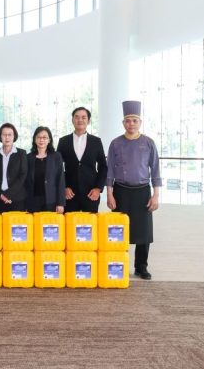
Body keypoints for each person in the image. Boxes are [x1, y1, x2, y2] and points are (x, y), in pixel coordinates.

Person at [105, 100, 161, 281]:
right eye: (128, 121)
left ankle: (141, 267)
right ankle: (117, 265)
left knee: (144, 232)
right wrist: (109, 194)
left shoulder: (149, 143)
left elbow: (155, 170)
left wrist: (156, 195)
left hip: (143, 191)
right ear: (123, 123)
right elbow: (109, 170)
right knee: (118, 232)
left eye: (135, 121)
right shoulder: (115, 143)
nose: (131, 124)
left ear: (140, 122)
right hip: (121, 191)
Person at [56, 107, 107, 213]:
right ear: (72, 120)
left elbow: (103, 166)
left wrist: (98, 188)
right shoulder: (63, 141)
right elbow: (58, 167)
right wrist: (64, 187)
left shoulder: (96, 141)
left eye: (83, 117)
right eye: (77, 117)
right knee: (69, 223)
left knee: (90, 223)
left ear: (88, 121)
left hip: (91, 193)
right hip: (69, 194)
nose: (80, 120)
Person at [25, 126, 65, 214]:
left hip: (51, 201)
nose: (41, 140)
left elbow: (60, 180)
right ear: (35, 139)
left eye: (44, 137)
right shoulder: (28, 157)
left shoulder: (56, 156)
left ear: (49, 140)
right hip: (33, 201)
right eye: (39, 137)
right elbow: (25, 182)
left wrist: (60, 203)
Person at [0, 123, 28, 213]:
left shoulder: (21, 153)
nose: (7, 137)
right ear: (0, 136)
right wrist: (1, 194)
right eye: (4, 135)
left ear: (14, 136)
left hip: (17, 199)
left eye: (10, 135)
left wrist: (8, 194)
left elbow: (23, 175)